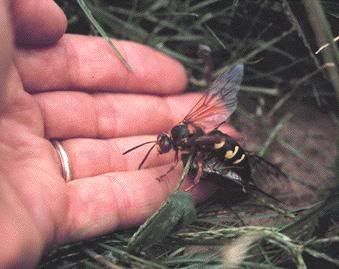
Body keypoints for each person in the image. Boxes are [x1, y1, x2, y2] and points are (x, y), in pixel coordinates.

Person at [0, 1, 237, 268]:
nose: (163, 147)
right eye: (163, 143)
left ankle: (231, 161)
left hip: (220, 145)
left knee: (212, 153)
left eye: (164, 144)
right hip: (213, 141)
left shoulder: (186, 140)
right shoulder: (186, 128)